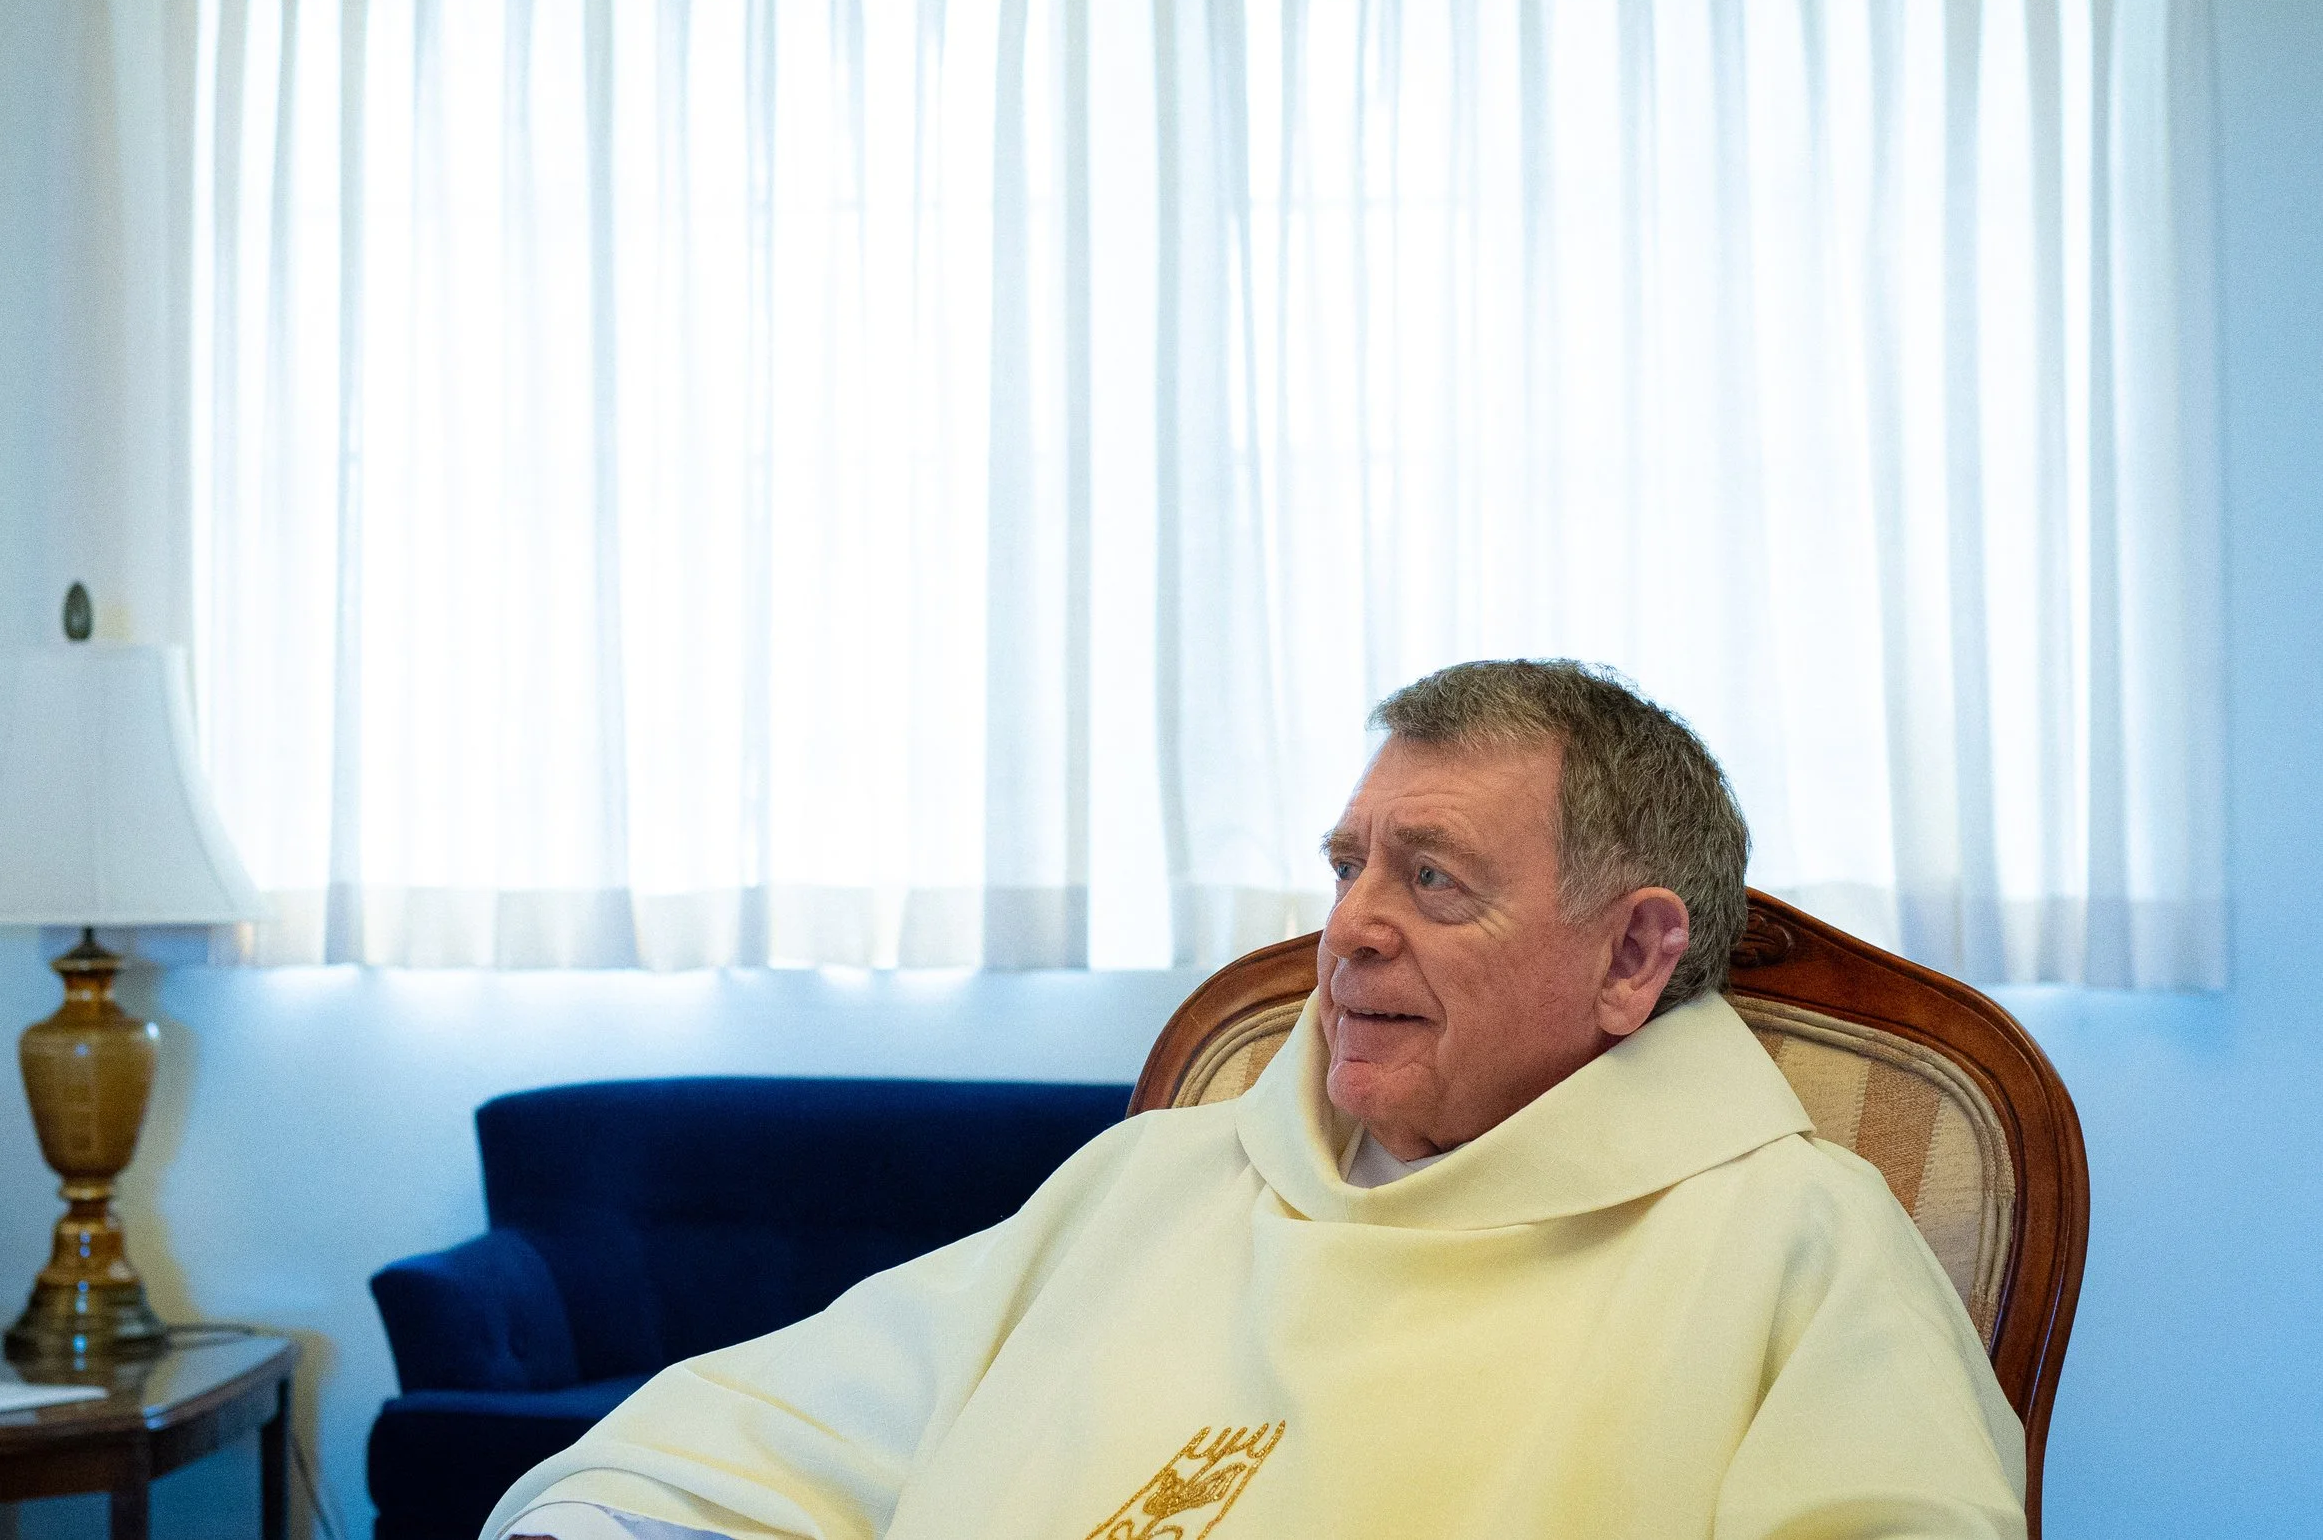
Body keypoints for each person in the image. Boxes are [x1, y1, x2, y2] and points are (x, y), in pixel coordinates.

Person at [489, 660, 2026, 1540]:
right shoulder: (1162, 1177)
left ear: (1631, 954)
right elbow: (720, 1453)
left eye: (1432, 877)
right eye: (1348, 862)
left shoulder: (1795, 1239)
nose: (1350, 927)